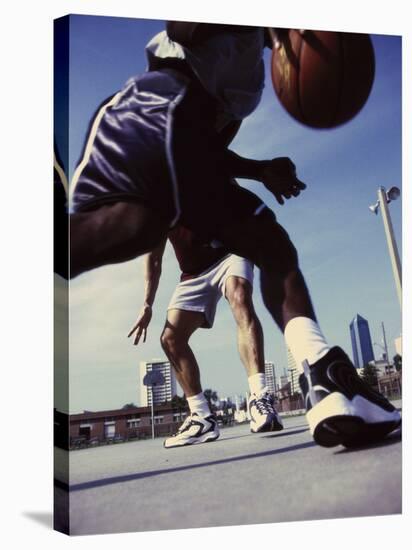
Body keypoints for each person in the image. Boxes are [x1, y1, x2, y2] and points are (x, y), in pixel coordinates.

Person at [68, 22, 400, 448]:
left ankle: (323, 375)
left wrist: (259, 170)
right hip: (154, 107)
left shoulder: (251, 76)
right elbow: (180, 26)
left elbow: (207, 152)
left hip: (191, 156)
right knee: (132, 228)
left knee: (272, 245)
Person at [128, 223, 284, 448]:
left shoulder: (188, 186)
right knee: (171, 339)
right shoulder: (153, 207)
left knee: (240, 298)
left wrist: (267, 184)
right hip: (193, 274)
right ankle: (202, 417)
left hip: (231, 253)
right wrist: (147, 303)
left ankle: (260, 396)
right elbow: (153, 260)